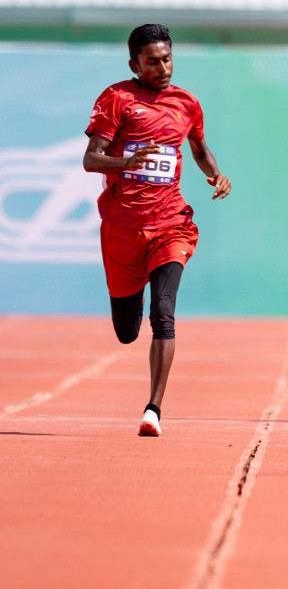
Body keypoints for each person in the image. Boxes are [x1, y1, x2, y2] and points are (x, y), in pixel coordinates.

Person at [82, 24, 232, 437]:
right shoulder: (117, 99)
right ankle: (126, 299)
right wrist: (124, 164)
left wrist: (216, 175)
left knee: (163, 313)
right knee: (127, 332)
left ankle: (153, 410)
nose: (162, 68)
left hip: (170, 224)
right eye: (152, 62)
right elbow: (91, 159)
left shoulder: (186, 103)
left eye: (167, 59)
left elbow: (199, 148)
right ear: (135, 64)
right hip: (123, 228)